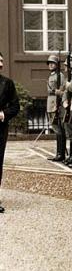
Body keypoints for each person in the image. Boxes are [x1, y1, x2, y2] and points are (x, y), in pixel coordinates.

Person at [0, 52, 20, 213]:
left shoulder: (7, 83)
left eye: (1, 61)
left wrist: (4, 114)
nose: (0, 64)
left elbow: (15, 106)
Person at [46, 54, 66, 161]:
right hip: (50, 103)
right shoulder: (51, 75)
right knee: (55, 129)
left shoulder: (60, 76)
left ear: (57, 64)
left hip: (56, 104)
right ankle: (58, 153)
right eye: (49, 63)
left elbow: (63, 91)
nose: (50, 65)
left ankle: (60, 154)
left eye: (52, 63)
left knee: (59, 130)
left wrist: (58, 105)